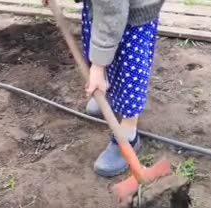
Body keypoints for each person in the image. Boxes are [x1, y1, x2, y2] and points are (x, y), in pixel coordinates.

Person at [44, 0, 164, 177]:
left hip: (132, 15)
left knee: (128, 75)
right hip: (106, 9)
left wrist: (98, 67)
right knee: (98, 49)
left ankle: (128, 135)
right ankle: (109, 97)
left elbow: (112, 13)